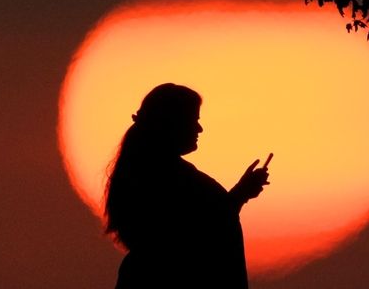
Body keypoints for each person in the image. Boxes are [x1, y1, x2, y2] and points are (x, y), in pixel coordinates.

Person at [104, 83, 270, 288]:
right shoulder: (166, 177)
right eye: (194, 120)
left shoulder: (148, 171)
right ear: (171, 123)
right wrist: (238, 195)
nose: (199, 128)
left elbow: (202, 224)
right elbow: (189, 237)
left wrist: (240, 194)